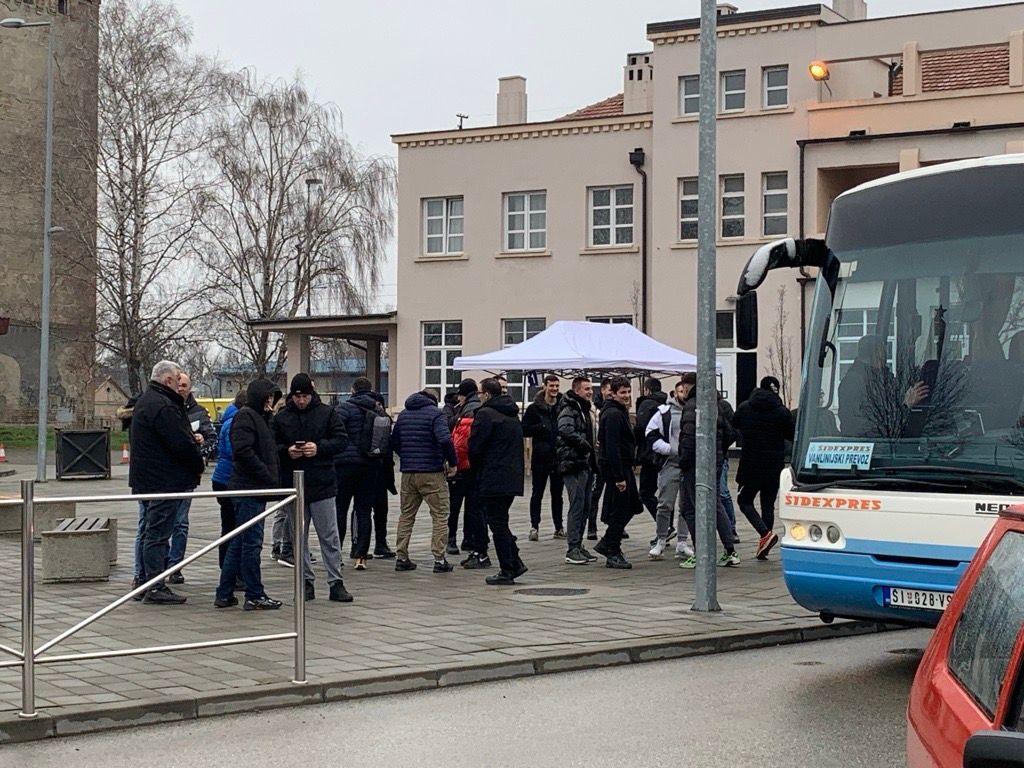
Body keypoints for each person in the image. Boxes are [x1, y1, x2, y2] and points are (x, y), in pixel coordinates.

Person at [129, 360, 204, 605]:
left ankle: (144, 581)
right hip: (163, 480)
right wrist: (197, 462)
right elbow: (180, 444)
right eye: (176, 379)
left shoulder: (147, 401)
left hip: (149, 479)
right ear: (168, 381)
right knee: (158, 534)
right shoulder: (163, 406)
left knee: (150, 531)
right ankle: (154, 584)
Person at [272, 374, 353, 603]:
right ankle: (306, 581)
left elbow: (341, 440)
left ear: (312, 394)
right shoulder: (282, 417)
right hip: (294, 484)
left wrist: (319, 448)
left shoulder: (327, 413)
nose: (301, 401)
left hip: (322, 482)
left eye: (305, 396)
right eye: (297, 396)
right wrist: (287, 451)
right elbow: (273, 444)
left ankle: (335, 581)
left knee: (329, 535)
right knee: (299, 536)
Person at [216, 378, 283, 611]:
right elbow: (243, 451)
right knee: (251, 542)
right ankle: (254, 593)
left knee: (240, 541)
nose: (271, 402)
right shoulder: (245, 417)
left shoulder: (261, 418)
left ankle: (224, 593)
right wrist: (266, 474)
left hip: (254, 487)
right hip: (248, 488)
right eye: (268, 397)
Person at [677, 372, 740, 569]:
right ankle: (730, 550)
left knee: (689, 507)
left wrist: (683, 461)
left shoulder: (692, 404)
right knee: (715, 503)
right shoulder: (719, 403)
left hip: (694, 464)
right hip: (715, 460)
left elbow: (688, 437)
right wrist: (718, 449)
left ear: (689, 386)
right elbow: (731, 432)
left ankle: (701, 552)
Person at [392, 388, 459, 572]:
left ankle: (401, 556)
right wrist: (452, 463)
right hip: (431, 472)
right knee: (440, 514)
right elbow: (445, 440)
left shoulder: (404, 415)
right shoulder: (436, 415)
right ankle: (439, 559)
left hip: (408, 472)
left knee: (406, 514)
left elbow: (394, 441)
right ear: (433, 400)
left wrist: (407, 456)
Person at [469, 378, 528, 585]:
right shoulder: (512, 415)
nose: (479, 396)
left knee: (497, 524)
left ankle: (507, 569)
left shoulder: (485, 414)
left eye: (480, 393)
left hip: (492, 476)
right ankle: (515, 561)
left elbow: (475, 447)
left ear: (486, 394)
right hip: (511, 477)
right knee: (501, 520)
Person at [733, 376, 795, 560]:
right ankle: (765, 541)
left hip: (751, 463)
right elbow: (791, 435)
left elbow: (735, 424)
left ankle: (764, 534)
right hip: (774, 464)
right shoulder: (781, 411)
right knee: (767, 504)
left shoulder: (746, 407)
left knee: (744, 501)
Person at [165, 371, 217, 584]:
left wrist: (200, 447)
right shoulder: (166, 409)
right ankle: (161, 563)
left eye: (185, 384)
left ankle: (175, 566)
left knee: (180, 523)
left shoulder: (199, 413)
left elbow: (212, 440)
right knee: (159, 522)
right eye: (179, 384)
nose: (181, 388)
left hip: (186, 476)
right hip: (165, 475)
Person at [334, 377, 387, 570]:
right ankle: (361, 555)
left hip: (344, 465)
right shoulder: (378, 409)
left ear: (352, 390)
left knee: (339, 509)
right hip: (370, 464)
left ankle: (336, 552)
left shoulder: (344, 408)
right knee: (363, 510)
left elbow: (334, 432)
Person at [838, 335, 928, 437]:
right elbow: (860, 427)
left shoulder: (881, 379)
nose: (885, 357)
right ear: (875, 354)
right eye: (883, 353)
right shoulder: (853, 383)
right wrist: (906, 407)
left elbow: (893, 403)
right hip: (872, 447)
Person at [594, 376, 641, 569]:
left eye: (628, 392)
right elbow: (611, 447)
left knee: (631, 505)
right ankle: (611, 547)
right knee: (623, 508)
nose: (627, 396)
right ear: (612, 393)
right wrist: (619, 477)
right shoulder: (613, 414)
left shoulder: (618, 412)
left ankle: (609, 543)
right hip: (617, 469)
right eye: (623, 392)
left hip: (622, 467)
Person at [645, 378, 693, 560]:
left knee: (686, 505)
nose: (684, 395)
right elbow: (650, 433)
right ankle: (661, 540)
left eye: (686, 391)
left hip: (688, 464)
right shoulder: (664, 412)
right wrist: (667, 449)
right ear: (675, 393)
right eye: (681, 391)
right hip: (670, 463)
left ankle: (682, 542)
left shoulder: (693, 411)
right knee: (665, 504)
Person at [557, 376, 599, 566]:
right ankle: (572, 547)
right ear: (576, 390)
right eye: (586, 389)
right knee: (577, 504)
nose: (590, 392)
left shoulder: (585, 408)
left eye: (591, 388)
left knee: (585, 505)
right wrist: (584, 445)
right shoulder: (570, 408)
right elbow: (565, 430)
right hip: (573, 463)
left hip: (585, 462)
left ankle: (579, 545)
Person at [450, 378, 492, 569]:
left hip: (467, 467)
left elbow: (462, 443)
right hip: (482, 468)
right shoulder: (483, 409)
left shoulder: (468, 411)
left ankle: (460, 541)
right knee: (474, 507)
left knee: (460, 505)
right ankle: (470, 541)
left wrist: (455, 464)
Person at [522, 374, 565, 541]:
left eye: (556, 386)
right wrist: (539, 428)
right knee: (537, 493)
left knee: (557, 494)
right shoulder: (534, 408)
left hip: (558, 456)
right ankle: (534, 526)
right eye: (551, 386)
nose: (554, 389)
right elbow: (524, 429)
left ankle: (559, 527)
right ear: (545, 387)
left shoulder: (562, 406)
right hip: (540, 456)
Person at [211, 389, 246, 568]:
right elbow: (236, 451)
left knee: (229, 524)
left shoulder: (228, 420)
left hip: (222, 477)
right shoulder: (237, 423)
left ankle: (227, 566)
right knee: (232, 526)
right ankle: (229, 567)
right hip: (229, 478)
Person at [635, 378, 668, 529]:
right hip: (662, 454)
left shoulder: (646, 404)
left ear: (647, 389)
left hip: (649, 455)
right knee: (662, 493)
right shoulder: (665, 404)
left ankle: (665, 526)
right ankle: (665, 527)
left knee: (646, 493)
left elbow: (642, 429)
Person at [588, 377, 614, 540]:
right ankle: (592, 527)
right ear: (603, 390)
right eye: (609, 390)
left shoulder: (618, 407)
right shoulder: (594, 408)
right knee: (595, 493)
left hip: (611, 456)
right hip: (597, 456)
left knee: (613, 494)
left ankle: (614, 524)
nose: (611, 394)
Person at [718, 392, 739, 543]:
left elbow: (732, 430)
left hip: (720, 455)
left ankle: (731, 527)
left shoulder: (723, 405)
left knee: (723, 492)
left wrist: (722, 446)